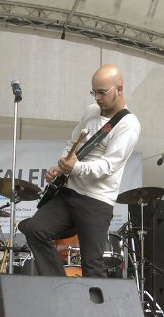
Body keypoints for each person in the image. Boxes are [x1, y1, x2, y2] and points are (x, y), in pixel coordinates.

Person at [18, 64, 140, 277]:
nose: (97, 98)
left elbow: (108, 166)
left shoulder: (128, 124)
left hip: (97, 201)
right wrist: (61, 167)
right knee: (35, 230)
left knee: (92, 265)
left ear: (119, 90)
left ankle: (96, 300)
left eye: (102, 92)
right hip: (69, 192)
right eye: (94, 92)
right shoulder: (90, 111)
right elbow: (72, 144)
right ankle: (59, 287)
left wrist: (75, 167)